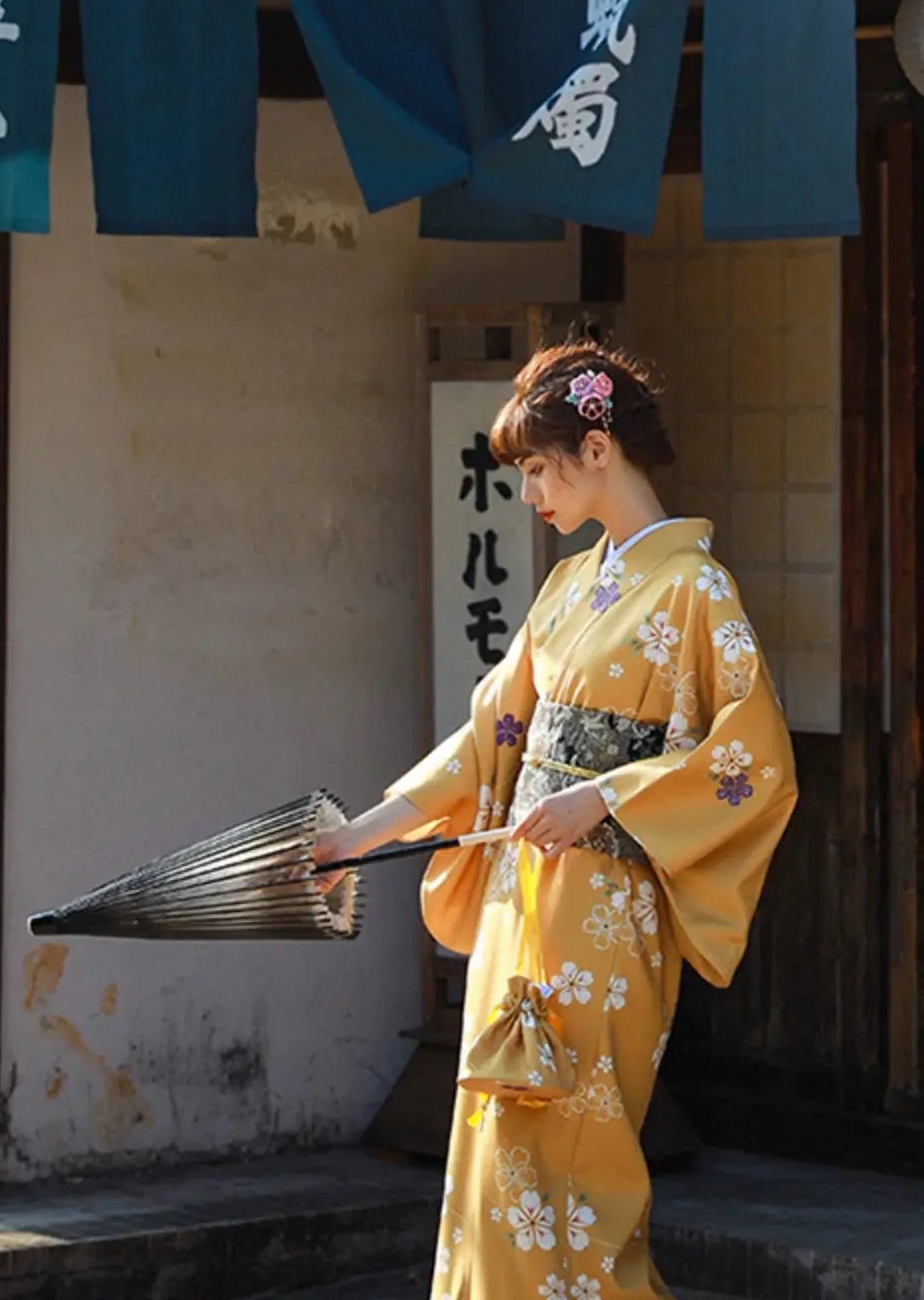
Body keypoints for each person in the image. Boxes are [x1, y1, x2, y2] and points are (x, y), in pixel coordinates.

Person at [314, 342, 797, 1300]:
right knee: (497, 1152)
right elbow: (490, 742)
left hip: (608, 916)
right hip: (522, 903)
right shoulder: (569, 587)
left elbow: (753, 763)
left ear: (598, 447)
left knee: (576, 1165)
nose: (529, 491)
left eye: (539, 467)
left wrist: (609, 795)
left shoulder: (696, 592)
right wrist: (357, 839)